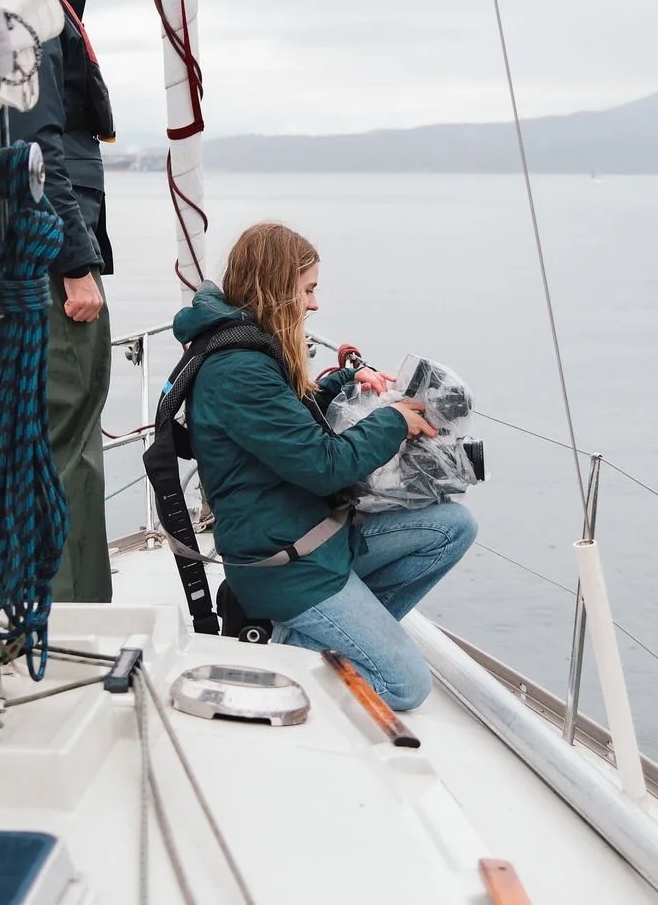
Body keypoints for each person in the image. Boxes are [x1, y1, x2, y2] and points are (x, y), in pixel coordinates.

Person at [171, 222, 477, 710]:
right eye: (308, 290)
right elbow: (324, 466)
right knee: (406, 686)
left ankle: (342, 635)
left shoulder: (247, 352)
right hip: (288, 566)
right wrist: (395, 421)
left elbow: (285, 420)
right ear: (275, 287)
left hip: (315, 539)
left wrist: (343, 383)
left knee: (452, 527)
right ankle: (290, 656)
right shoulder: (240, 370)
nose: (314, 304)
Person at [0, 0, 120, 603]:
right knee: (64, 449)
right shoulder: (31, 21)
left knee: (40, 444)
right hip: (48, 279)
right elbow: (42, 153)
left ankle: (27, 606)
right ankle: (67, 624)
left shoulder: (12, 17)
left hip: (21, 271)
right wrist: (75, 263)